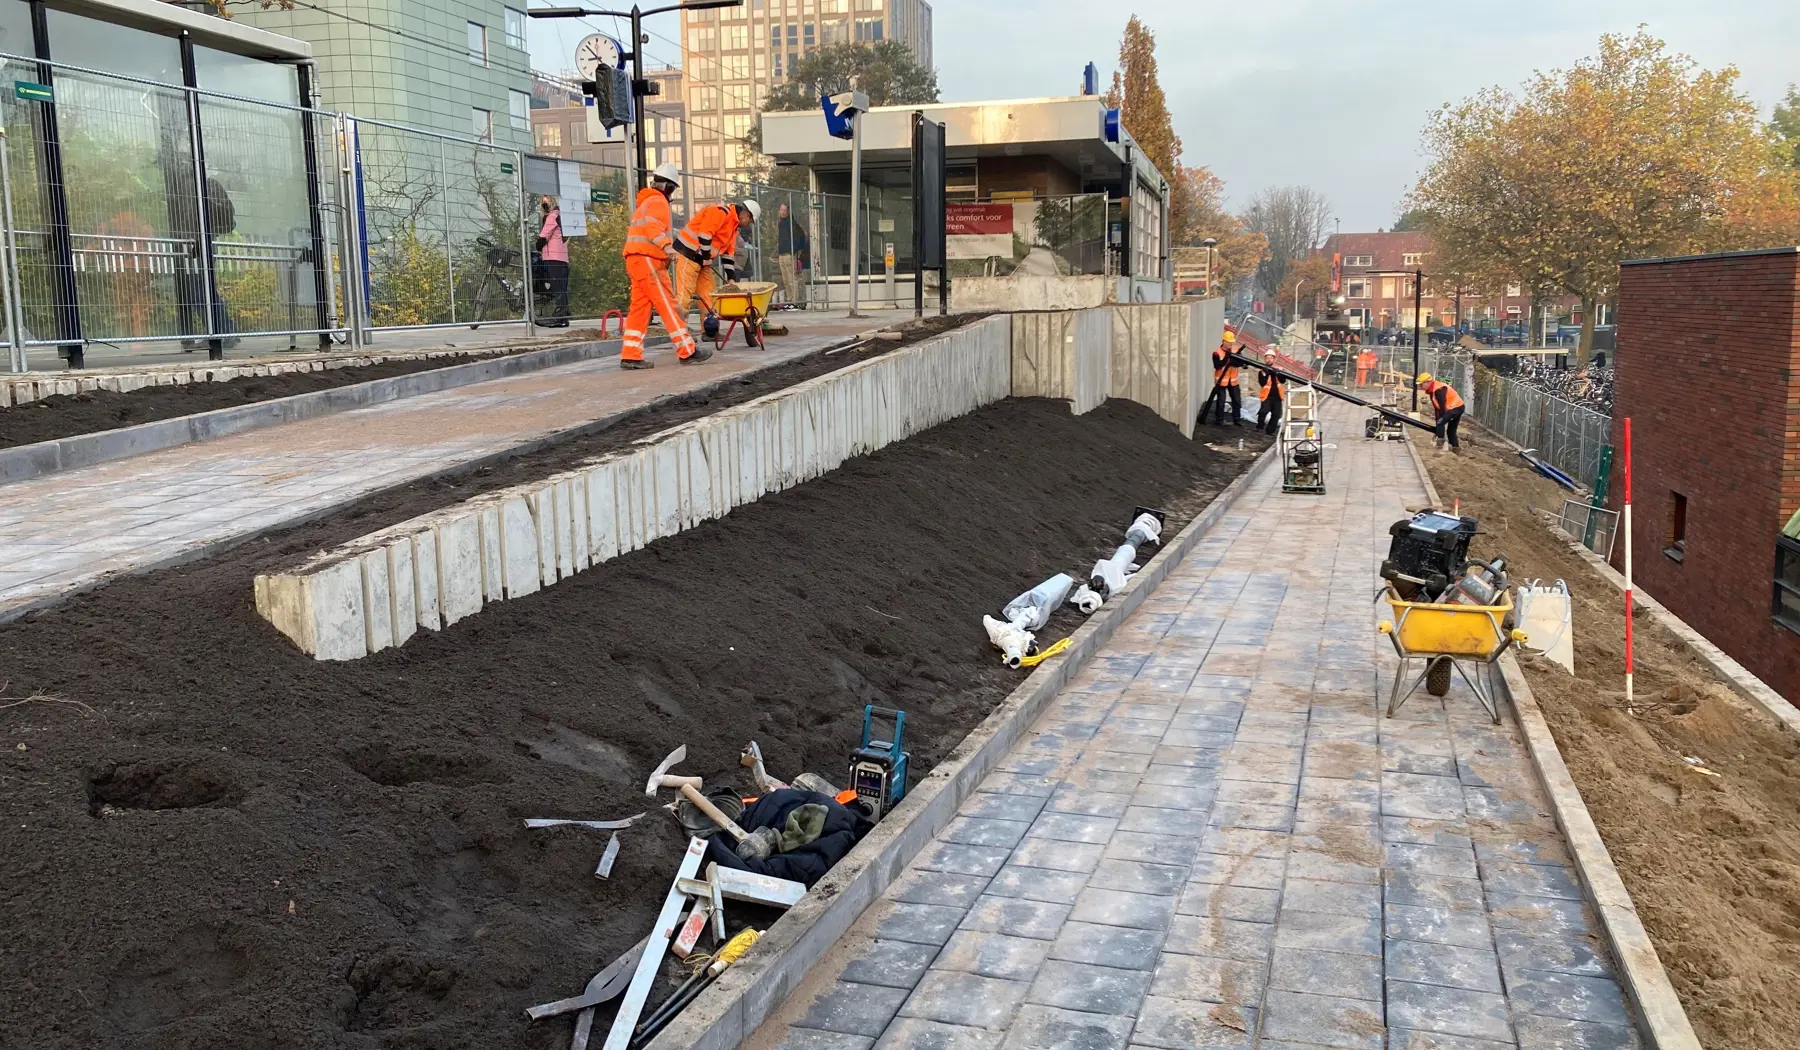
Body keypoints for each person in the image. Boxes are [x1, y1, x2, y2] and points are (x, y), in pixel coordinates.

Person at [620, 163, 705, 369]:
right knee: (669, 306)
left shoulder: (645, 203)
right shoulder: (658, 203)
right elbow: (653, 227)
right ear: (667, 187)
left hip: (636, 260)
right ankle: (687, 350)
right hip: (649, 260)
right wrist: (667, 247)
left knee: (639, 309)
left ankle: (631, 354)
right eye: (673, 188)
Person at [673, 197, 762, 345]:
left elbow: (728, 254)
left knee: (709, 297)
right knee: (684, 296)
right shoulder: (721, 213)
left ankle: (709, 331)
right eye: (750, 221)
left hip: (702, 261)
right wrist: (707, 257)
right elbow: (705, 234)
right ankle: (680, 335)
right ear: (746, 215)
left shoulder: (733, 228)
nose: (748, 225)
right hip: (688, 254)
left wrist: (731, 277)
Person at [534, 197, 570, 327]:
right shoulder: (562, 217)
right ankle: (564, 315)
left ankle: (560, 317)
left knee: (558, 288)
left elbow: (543, 237)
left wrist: (538, 246)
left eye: (546, 202)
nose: (544, 205)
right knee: (562, 288)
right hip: (562, 257)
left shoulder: (553, 216)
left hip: (553, 257)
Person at [1198, 332, 1242, 426]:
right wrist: (1227, 357)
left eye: (1231, 342)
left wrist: (1235, 362)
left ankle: (1237, 419)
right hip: (1221, 381)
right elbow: (1217, 366)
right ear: (1223, 341)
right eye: (1228, 342)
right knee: (1221, 401)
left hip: (1233, 381)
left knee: (1236, 400)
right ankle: (1219, 420)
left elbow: (1240, 363)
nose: (1230, 344)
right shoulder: (1217, 353)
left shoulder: (1236, 350)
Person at [1417, 372, 1466, 453]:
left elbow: (1442, 407)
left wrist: (1440, 424)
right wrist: (1438, 422)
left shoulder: (1438, 390)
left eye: (1421, 384)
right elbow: (1437, 408)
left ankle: (1441, 445)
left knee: (1441, 423)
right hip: (1457, 407)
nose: (1420, 387)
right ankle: (1456, 449)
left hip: (1455, 408)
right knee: (1451, 430)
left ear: (1427, 382)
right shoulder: (1433, 390)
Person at [775, 201, 809, 307]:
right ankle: (790, 300)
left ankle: (795, 302)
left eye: (785, 210)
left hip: (789, 255)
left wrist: (794, 250)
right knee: (785, 279)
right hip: (782, 255)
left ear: (788, 211)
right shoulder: (780, 223)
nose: (783, 212)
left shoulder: (792, 224)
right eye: (782, 210)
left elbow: (802, 237)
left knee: (792, 279)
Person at [1256, 365, 1285, 434]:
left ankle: (1270, 431)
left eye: (1271, 358)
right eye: (1267, 358)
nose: (1269, 359)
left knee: (1276, 414)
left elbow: (1283, 380)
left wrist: (1279, 373)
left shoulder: (1278, 370)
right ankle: (1260, 426)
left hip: (1277, 396)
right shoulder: (1263, 371)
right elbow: (1262, 383)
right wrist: (1267, 374)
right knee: (1263, 412)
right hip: (1267, 396)